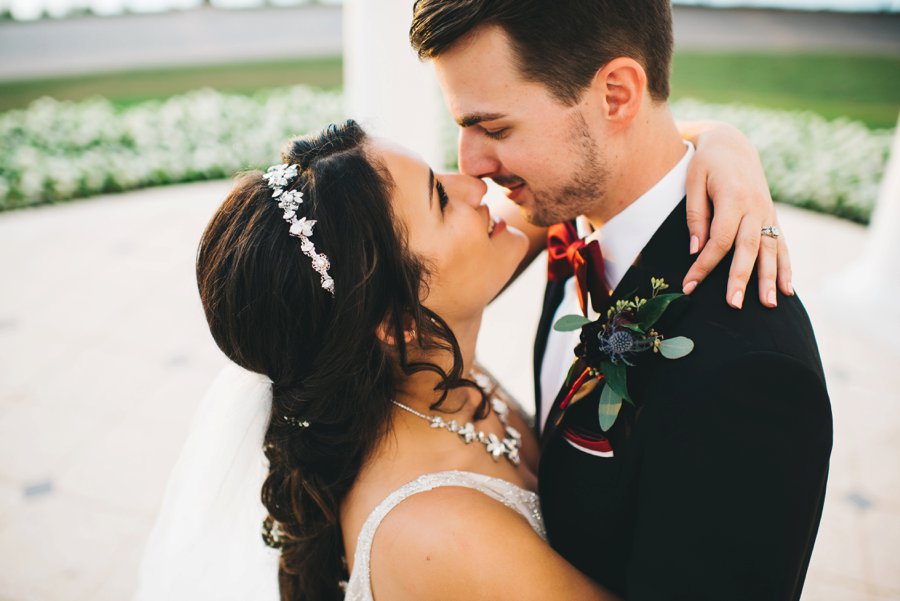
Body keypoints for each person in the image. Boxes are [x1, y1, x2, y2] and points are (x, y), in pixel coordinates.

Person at [134, 115, 798, 601]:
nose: (475, 183)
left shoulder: (420, 367)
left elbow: (613, 169)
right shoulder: (438, 531)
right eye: (439, 198)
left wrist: (726, 147)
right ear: (394, 321)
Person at [410, 1, 833, 600]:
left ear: (615, 95)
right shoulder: (563, 213)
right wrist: (720, 136)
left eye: (496, 128)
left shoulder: (751, 374)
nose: (471, 167)